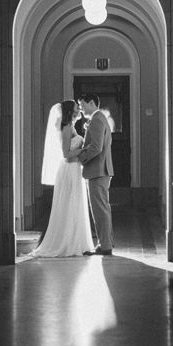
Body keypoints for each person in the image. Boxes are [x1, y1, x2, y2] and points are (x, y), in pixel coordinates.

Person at [32, 100, 95, 257]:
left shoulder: (71, 127)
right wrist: (84, 150)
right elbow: (66, 154)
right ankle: (66, 242)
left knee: (75, 205)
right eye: (75, 108)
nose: (78, 110)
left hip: (74, 169)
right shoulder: (66, 128)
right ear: (69, 111)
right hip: (69, 169)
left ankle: (77, 241)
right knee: (69, 205)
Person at [77, 93, 115, 255]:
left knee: (100, 210)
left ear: (92, 102)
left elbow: (96, 147)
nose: (81, 109)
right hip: (99, 170)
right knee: (102, 208)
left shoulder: (97, 119)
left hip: (98, 170)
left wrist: (81, 158)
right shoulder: (99, 118)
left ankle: (105, 246)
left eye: (83, 105)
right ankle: (105, 243)